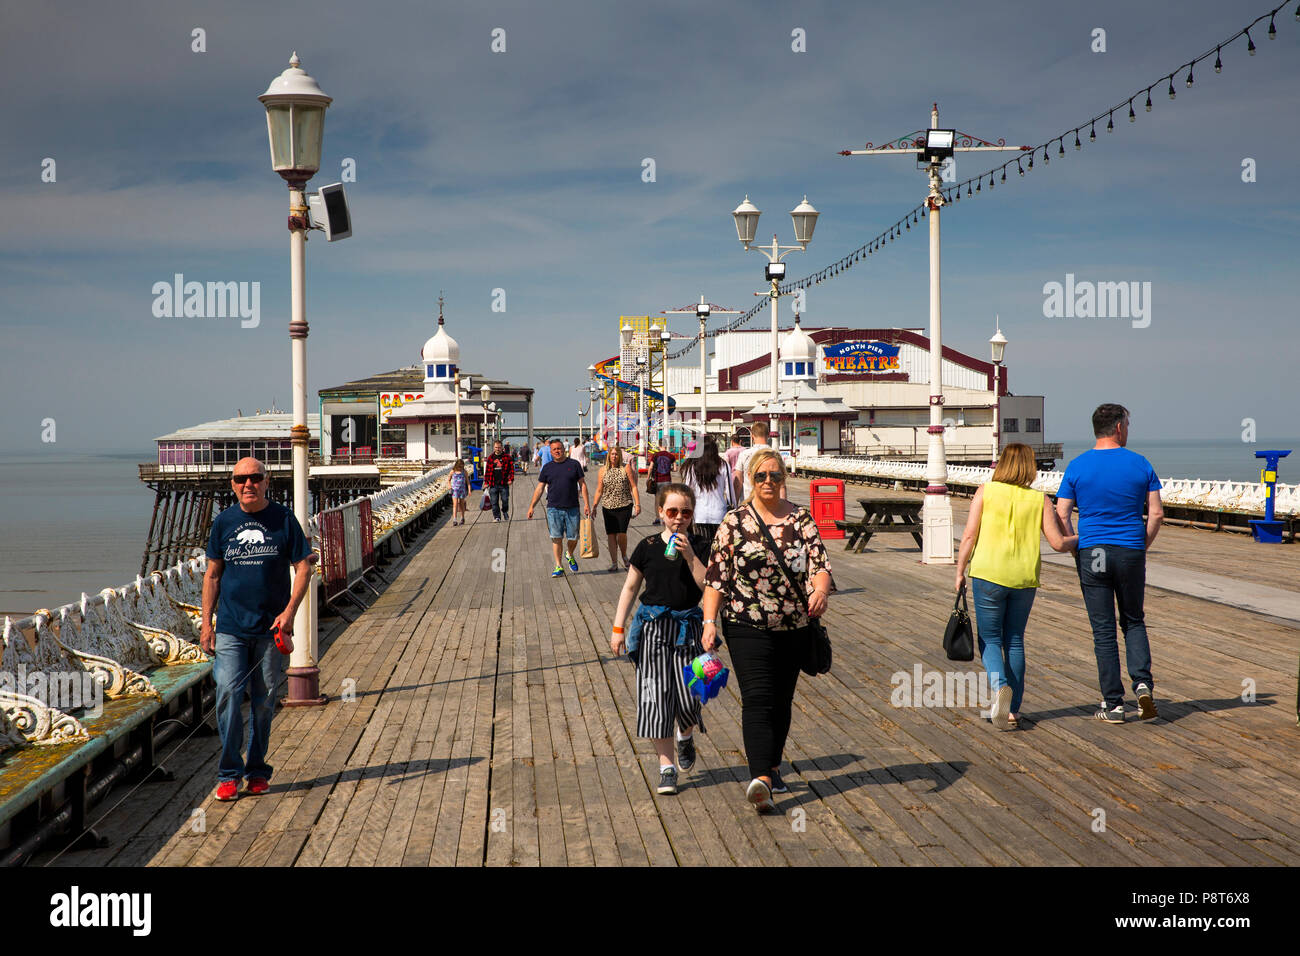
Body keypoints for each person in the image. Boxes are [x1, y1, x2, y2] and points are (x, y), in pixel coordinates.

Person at [702, 449, 832, 813]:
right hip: (746, 624)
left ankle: (773, 765)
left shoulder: (801, 519)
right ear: (750, 479)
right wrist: (709, 622)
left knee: (781, 701)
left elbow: (820, 565)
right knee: (758, 698)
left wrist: (820, 590)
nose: (769, 482)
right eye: (761, 476)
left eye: (775, 476)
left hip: (794, 624)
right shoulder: (734, 521)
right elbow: (716, 578)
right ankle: (760, 777)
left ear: (784, 477)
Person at [201, 457, 313, 802]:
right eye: (240, 479)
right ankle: (229, 773)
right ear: (232, 485)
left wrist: (289, 613)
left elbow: (304, 568)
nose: (247, 484)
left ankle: (257, 769)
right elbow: (213, 574)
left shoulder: (283, 519)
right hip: (232, 627)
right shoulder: (224, 522)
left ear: (267, 482)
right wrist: (207, 624)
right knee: (228, 693)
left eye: (254, 478)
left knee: (263, 702)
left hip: (270, 627)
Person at [954, 443, 1077, 729]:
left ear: (1002, 464)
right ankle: (1013, 709)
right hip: (1024, 579)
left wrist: (960, 571)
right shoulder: (1040, 500)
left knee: (990, 639)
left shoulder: (986, 491)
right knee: (1015, 639)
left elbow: (970, 535)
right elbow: (1058, 543)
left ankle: (999, 690)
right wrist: (1083, 538)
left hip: (988, 575)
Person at [1055, 404, 1163, 724]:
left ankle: (1114, 704)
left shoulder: (1077, 466)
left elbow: (1061, 514)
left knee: (1103, 629)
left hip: (1093, 552)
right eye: (1128, 424)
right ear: (1118, 428)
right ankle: (1143, 687)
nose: (1128, 430)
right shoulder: (1140, 464)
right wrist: (1140, 545)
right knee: (1133, 620)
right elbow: (1156, 513)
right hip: (1130, 550)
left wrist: (1077, 547)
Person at [611, 483, 709, 795]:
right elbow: (630, 588)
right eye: (672, 512)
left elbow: (707, 585)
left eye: (686, 512)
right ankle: (666, 766)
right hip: (652, 627)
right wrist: (618, 628)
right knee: (654, 697)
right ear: (661, 513)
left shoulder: (702, 545)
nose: (679, 518)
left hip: (688, 628)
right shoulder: (648, 546)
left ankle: (685, 735)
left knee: (690, 696)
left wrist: (690, 554)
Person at [527, 438, 592, 577]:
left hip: (572, 507)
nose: (557, 451)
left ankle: (569, 554)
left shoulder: (574, 465)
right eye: (554, 449)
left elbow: (583, 484)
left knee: (573, 538)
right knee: (556, 537)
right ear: (551, 452)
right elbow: (540, 488)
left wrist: (587, 504)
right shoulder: (547, 467)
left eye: (559, 448)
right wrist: (532, 506)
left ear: (564, 449)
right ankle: (558, 565)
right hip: (553, 508)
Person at [679, 436, 736, 552]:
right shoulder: (723, 465)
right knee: (719, 548)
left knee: (702, 548)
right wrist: (733, 507)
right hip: (719, 512)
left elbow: (687, 491)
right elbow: (730, 492)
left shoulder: (691, 465)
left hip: (699, 513)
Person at [592, 444, 641, 572]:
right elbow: (599, 490)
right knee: (611, 534)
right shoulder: (602, 470)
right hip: (607, 506)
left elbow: (633, 487)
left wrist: (637, 504)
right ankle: (614, 563)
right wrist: (594, 506)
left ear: (619, 456)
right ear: (608, 456)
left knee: (621, 533)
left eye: (616, 454)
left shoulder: (626, 468)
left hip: (624, 504)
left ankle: (624, 555)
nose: (614, 456)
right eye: (612, 454)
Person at [733, 421, 787, 503]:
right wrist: (783, 504)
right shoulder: (777, 456)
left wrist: (735, 503)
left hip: (749, 501)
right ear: (768, 435)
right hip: (772, 502)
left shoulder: (744, 455)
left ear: (752, 436)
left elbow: (738, 482)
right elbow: (782, 485)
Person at [484, 439, 515, 522]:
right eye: (496, 447)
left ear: (502, 448)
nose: (497, 449)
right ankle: (496, 516)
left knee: (505, 500)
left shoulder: (507, 457)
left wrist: (511, 479)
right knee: (494, 502)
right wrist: (486, 482)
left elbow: (511, 470)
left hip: (504, 483)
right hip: (493, 483)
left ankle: (505, 511)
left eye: (499, 447)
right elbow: (487, 471)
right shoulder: (491, 458)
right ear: (494, 448)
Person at [648, 446, 676, 525]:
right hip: (667, 480)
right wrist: (668, 469)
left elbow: (650, 467)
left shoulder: (656, 455)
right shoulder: (671, 456)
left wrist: (648, 478)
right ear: (666, 446)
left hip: (658, 481)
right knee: (667, 500)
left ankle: (658, 518)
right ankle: (667, 518)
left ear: (659, 446)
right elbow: (675, 469)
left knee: (657, 500)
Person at [449, 458, 469, 525]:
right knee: (455, 504)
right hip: (454, 490)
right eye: (459, 467)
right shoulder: (453, 471)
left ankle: (462, 518)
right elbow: (448, 480)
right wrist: (449, 486)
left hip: (462, 490)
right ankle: (454, 519)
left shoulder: (464, 472)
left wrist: (469, 490)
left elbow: (468, 482)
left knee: (461, 504)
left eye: (462, 467)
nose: (460, 468)